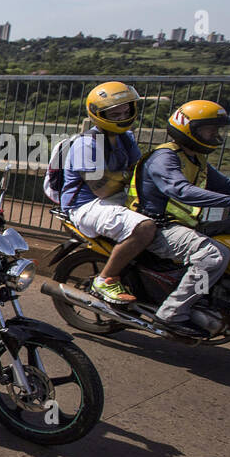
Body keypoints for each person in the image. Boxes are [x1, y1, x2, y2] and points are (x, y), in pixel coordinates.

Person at [129, 100, 230, 333]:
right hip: (156, 228)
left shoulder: (195, 158)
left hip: (184, 225)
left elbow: (229, 186)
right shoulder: (165, 158)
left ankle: (214, 300)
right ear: (190, 129)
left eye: (217, 129)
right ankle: (172, 313)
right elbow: (181, 191)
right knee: (214, 255)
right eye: (210, 129)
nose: (215, 134)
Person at [56, 81, 153, 304]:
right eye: (115, 112)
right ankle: (105, 279)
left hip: (115, 199)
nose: (122, 116)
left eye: (125, 110)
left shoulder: (125, 138)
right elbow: (103, 189)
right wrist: (129, 176)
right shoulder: (86, 145)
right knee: (145, 229)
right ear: (99, 114)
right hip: (86, 206)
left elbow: (138, 169)